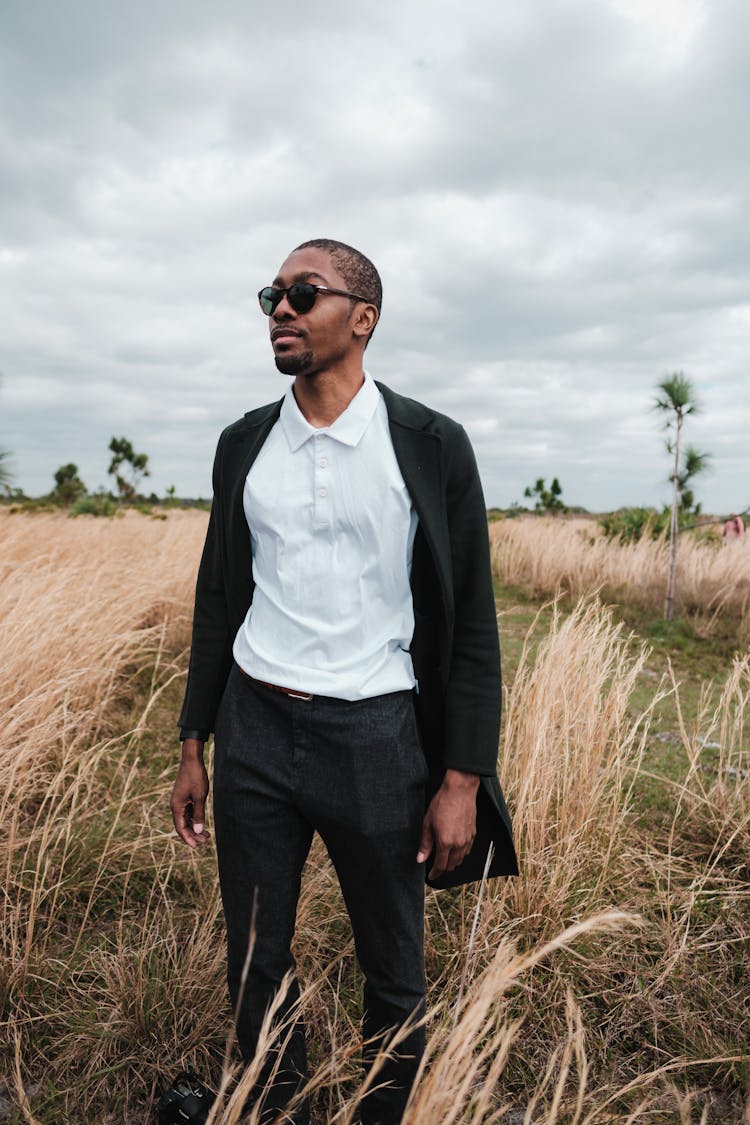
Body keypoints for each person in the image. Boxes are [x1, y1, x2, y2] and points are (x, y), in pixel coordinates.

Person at [170, 238, 518, 1124]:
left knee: (393, 968)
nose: (280, 310)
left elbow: (472, 619)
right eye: (271, 297)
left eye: (302, 293)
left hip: (376, 737)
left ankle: (387, 1109)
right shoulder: (244, 443)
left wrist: (461, 778)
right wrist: (192, 743)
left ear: (362, 318)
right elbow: (219, 597)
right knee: (255, 955)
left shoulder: (431, 444)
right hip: (253, 727)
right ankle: (269, 1105)